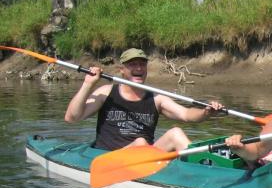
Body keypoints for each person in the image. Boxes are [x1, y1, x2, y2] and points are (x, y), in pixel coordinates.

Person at [64, 48, 224, 151]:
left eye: (142, 64)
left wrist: (206, 112)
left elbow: (186, 114)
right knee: (140, 142)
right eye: (133, 65)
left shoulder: (156, 98)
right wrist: (88, 84)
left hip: (144, 157)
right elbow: (71, 118)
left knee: (176, 133)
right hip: (110, 158)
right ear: (122, 70)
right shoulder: (106, 92)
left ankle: (201, 170)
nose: (139, 68)